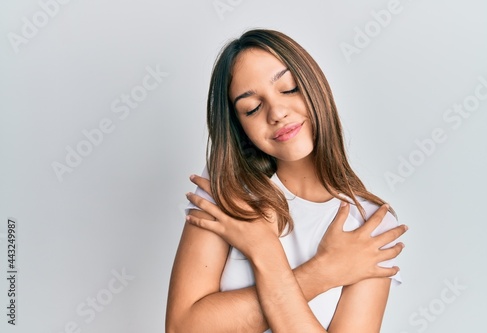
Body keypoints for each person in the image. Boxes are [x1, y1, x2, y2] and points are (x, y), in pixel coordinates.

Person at [165, 29, 408, 333]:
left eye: (289, 88)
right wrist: (320, 273)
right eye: (252, 108)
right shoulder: (226, 189)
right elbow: (182, 328)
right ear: (240, 126)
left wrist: (266, 252)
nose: (277, 113)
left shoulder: (370, 225)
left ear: (314, 85)